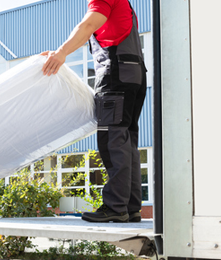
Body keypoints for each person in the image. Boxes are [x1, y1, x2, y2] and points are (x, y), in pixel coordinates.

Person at [41, 0, 147, 223]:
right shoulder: (124, 4)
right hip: (134, 77)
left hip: (116, 77)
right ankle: (130, 207)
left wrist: (61, 53)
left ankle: (115, 207)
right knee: (127, 143)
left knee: (112, 141)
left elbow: (87, 25)